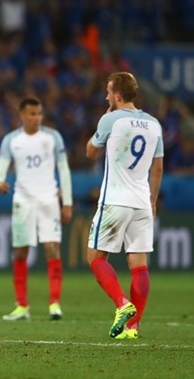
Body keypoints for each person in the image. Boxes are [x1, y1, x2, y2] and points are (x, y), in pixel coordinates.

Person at [85, 72, 163, 340]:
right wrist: (152, 201)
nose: (107, 96)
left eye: (109, 91)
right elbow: (158, 168)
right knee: (139, 266)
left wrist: (106, 115)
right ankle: (133, 327)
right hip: (142, 202)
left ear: (117, 95)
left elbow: (90, 152)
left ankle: (121, 303)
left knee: (95, 258)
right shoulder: (154, 124)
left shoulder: (111, 119)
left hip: (115, 200)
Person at [0, 97, 73, 321]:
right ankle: (22, 307)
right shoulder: (12, 140)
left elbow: (64, 170)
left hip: (48, 199)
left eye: (39, 114)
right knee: (20, 251)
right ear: (22, 115)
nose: (37, 118)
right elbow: (0, 168)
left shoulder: (52, 138)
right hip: (23, 200)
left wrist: (67, 202)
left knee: (52, 249)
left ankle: (55, 304)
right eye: (32, 114)